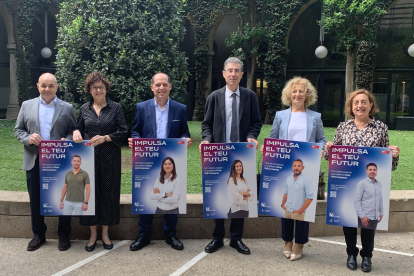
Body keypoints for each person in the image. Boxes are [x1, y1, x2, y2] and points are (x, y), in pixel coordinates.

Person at [325, 89, 400, 272]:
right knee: (348, 219)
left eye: (364, 102)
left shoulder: (381, 128)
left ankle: (367, 256)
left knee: (369, 223)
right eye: (356, 103)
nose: (360, 105)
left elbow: (385, 162)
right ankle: (351, 253)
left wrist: (394, 155)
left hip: (370, 184)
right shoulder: (343, 127)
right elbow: (332, 158)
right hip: (347, 184)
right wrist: (329, 149)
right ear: (351, 107)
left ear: (371, 105)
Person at [200, 57, 262, 255]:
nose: (233, 74)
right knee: (219, 196)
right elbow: (206, 124)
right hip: (218, 153)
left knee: (241, 196)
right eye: (230, 71)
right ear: (224, 74)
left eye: (237, 71)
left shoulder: (250, 96)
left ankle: (236, 239)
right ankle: (217, 238)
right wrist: (207, 139)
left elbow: (256, 123)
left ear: (242, 75)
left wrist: (252, 136)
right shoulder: (214, 97)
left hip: (242, 154)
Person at [129, 72, 191, 252]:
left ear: (170, 86)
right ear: (152, 87)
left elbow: (185, 132)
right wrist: (135, 140)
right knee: (148, 194)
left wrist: (185, 139)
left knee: (171, 196)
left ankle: (171, 234)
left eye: (165, 84)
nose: (161, 88)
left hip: (170, 160)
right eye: (158, 85)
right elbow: (136, 131)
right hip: (148, 159)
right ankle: (144, 234)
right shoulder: (142, 107)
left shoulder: (180, 108)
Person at [265, 77, 325, 261]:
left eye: (301, 91)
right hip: (286, 167)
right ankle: (287, 242)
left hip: (307, 166)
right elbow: (273, 138)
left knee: (303, 206)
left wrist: (321, 149)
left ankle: (299, 243)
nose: (297, 94)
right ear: (289, 94)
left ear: (307, 95)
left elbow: (321, 139)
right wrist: (268, 148)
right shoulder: (280, 115)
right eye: (295, 91)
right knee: (287, 206)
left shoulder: (315, 117)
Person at [14, 73, 76, 251]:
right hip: (35, 160)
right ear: (38, 86)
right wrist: (28, 138)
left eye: (51, 86)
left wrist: (68, 139)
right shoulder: (27, 106)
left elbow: (73, 130)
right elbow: (18, 130)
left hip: (59, 161)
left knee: (64, 196)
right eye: (44, 85)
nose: (47, 89)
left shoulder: (67, 108)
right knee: (36, 200)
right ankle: (38, 235)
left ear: (57, 87)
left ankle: (64, 235)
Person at [73, 72, 128, 252]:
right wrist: (76, 132)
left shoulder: (115, 108)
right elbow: (78, 128)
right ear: (89, 89)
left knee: (108, 195)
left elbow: (123, 131)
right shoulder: (83, 109)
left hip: (110, 158)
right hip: (88, 160)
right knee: (89, 195)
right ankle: (92, 234)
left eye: (101, 87)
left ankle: (105, 233)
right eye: (94, 87)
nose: (98, 90)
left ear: (106, 89)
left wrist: (106, 138)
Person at [354, 163, 383, 230]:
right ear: (366, 171)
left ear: (377, 171)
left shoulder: (379, 184)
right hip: (365, 217)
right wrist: (362, 216)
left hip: (375, 217)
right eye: (370, 170)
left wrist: (381, 213)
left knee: (371, 238)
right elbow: (357, 201)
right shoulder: (362, 183)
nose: (372, 171)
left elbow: (380, 199)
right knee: (365, 238)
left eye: (374, 170)